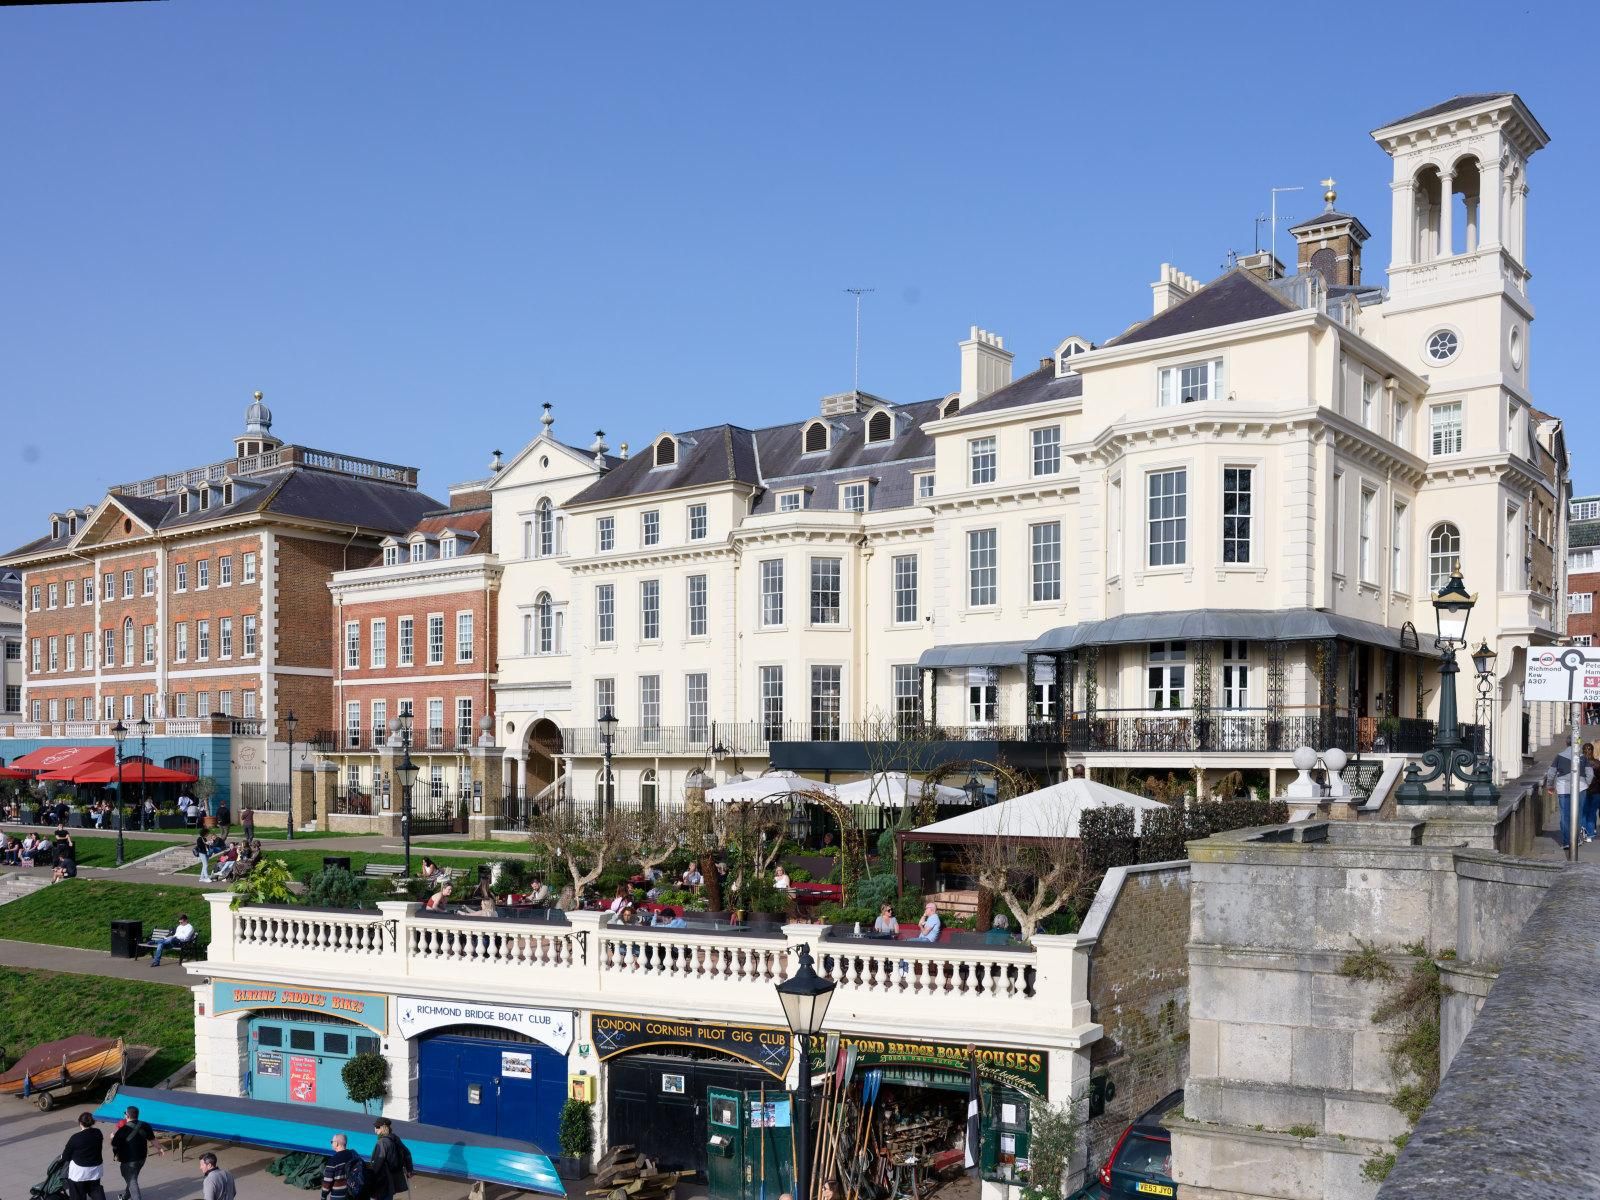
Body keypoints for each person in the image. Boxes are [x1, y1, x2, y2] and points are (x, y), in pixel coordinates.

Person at [1546, 735, 1595, 851]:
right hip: (1580, 788)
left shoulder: (1559, 756)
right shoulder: (1582, 757)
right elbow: (1590, 773)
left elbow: (1551, 772)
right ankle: (1576, 839)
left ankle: (1566, 841)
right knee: (1577, 814)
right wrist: (1585, 784)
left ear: (1566, 743)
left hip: (1563, 788)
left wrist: (1550, 786)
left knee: (1565, 815)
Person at [110, 1103, 162, 1200]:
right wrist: (159, 1148)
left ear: (127, 1116)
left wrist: (113, 1137)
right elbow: (152, 1139)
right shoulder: (145, 1125)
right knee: (132, 1176)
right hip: (142, 1158)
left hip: (129, 1160)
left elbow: (114, 1145)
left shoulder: (123, 1130)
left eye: (125, 1113)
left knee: (131, 1180)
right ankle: (126, 1196)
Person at [62, 1111, 106, 1200]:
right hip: (96, 1169)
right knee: (95, 1189)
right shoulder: (98, 1133)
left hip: (80, 1172)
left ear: (80, 1123)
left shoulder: (75, 1137)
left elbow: (66, 1156)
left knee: (77, 1194)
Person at [369, 1118, 414, 1198]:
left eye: (377, 1127)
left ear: (383, 1128)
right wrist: (409, 1170)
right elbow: (407, 1153)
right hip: (394, 1178)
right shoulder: (395, 1138)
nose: (375, 1129)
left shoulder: (382, 1142)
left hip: (384, 1180)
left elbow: (378, 1162)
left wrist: (370, 1177)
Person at [319, 1134, 362, 1200]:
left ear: (336, 1143)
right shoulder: (354, 1154)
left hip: (338, 1196)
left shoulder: (333, 1161)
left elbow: (327, 1183)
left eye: (332, 1142)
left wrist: (323, 1196)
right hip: (354, 1193)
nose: (331, 1143)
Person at [1583, 742, 1600, 843]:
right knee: (1591, 812)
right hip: (1596, 791)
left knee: (1584, 812)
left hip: (1584, 790)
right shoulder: (1597, 763)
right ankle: (1590, 833)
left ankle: (1585, 832)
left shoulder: (1580, 762)